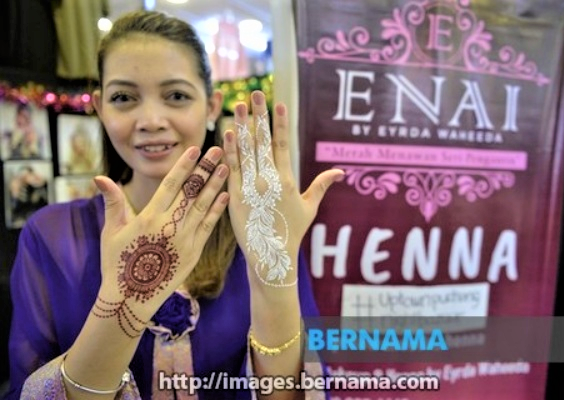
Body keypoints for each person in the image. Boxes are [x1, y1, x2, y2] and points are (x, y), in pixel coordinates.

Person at [4, 10, 343, 400]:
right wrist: (120, 311)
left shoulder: (259, 226)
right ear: (99, 107)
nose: (151, 120)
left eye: (176, 96)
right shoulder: (52, 235)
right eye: (123, 98)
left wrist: (274, 287)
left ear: (212, 106)